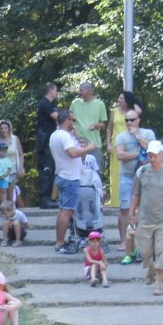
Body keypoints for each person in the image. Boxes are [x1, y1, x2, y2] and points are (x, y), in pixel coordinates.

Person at [129, 139, 163, 296]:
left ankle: (159, 283)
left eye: (154, 156)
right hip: (145, 219)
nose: (152, 159)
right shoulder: (141, 172)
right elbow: (135, 194)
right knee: (144, 250)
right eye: (150, 156)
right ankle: (151, 268)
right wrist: (132, 212)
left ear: (162, 155)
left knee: (162, 251)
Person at [49, 109, 97, 254]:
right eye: (73, 120)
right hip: (70, 178)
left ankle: (59, 241)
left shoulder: (56, 134)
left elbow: (75, 152)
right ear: (66, 121)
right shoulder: (64, 136)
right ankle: (60, 243)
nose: (74, 123)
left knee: (63, 210)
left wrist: (75, 137)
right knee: (67, 212)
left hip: (63, 175)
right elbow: (72, 153)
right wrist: (89, 147)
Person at [113, 108, 154, 254]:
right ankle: (124, 242)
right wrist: (138, 155)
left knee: (145, 209)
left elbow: (152, 150)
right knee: (124, 209)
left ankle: (144, 241)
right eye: (126, 120)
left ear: (138, 120)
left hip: (146, 176)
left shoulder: (148, 134)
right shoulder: (121, 137)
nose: (129, 123)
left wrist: (137, 136)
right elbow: (120, 155)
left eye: (132, 120)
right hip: (127, 176)